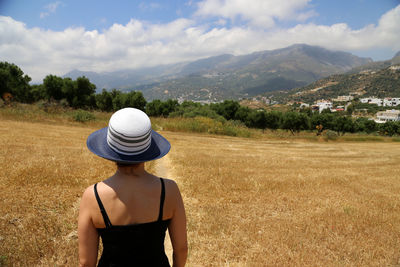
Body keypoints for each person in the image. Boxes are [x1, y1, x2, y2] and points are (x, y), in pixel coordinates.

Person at [78, 108, 187, 267]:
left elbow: (86, 262)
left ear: (110, 148)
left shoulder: (93, 195)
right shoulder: (169, 190)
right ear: (148, 148)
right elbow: (181, 249)